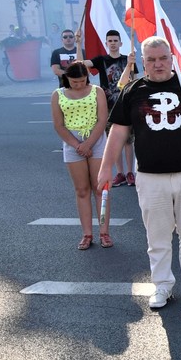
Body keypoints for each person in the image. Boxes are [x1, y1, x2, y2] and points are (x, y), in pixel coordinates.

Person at [98, 36, 181, 310]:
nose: (158, 64)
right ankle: (162, 285)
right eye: (151, 60)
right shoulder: (133, 90)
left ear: (171, 58)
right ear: (144, 62)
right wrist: (106, 168)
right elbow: (118, 131)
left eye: (163, 58)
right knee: (158, 237)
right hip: (151, 177)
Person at [51, 62, 111, 250]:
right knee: (82, 190)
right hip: (72, 142)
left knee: (101, 188)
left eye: (82, 80)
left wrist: (89, 143)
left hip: (96, 138)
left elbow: (103, 119)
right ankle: (86, 234)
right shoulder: (58, 94)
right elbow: (59, 125)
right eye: (74, 81)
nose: (79, 84)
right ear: (66, 79)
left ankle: (104, 232)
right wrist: (78, 145)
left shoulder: (97, 91)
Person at [76, 28, 139, 186]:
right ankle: (120, 172)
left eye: (115, 41)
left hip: (126, 103)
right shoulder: (101, 60)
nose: (112, 43)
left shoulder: (128, 60)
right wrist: (78, 43)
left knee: (128, 140)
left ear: (120, 43)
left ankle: (130, 172)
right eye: (110, 41)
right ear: (106, 43)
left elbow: (135, 79)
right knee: (114, 138)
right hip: (109, 105)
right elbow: (80, 65)